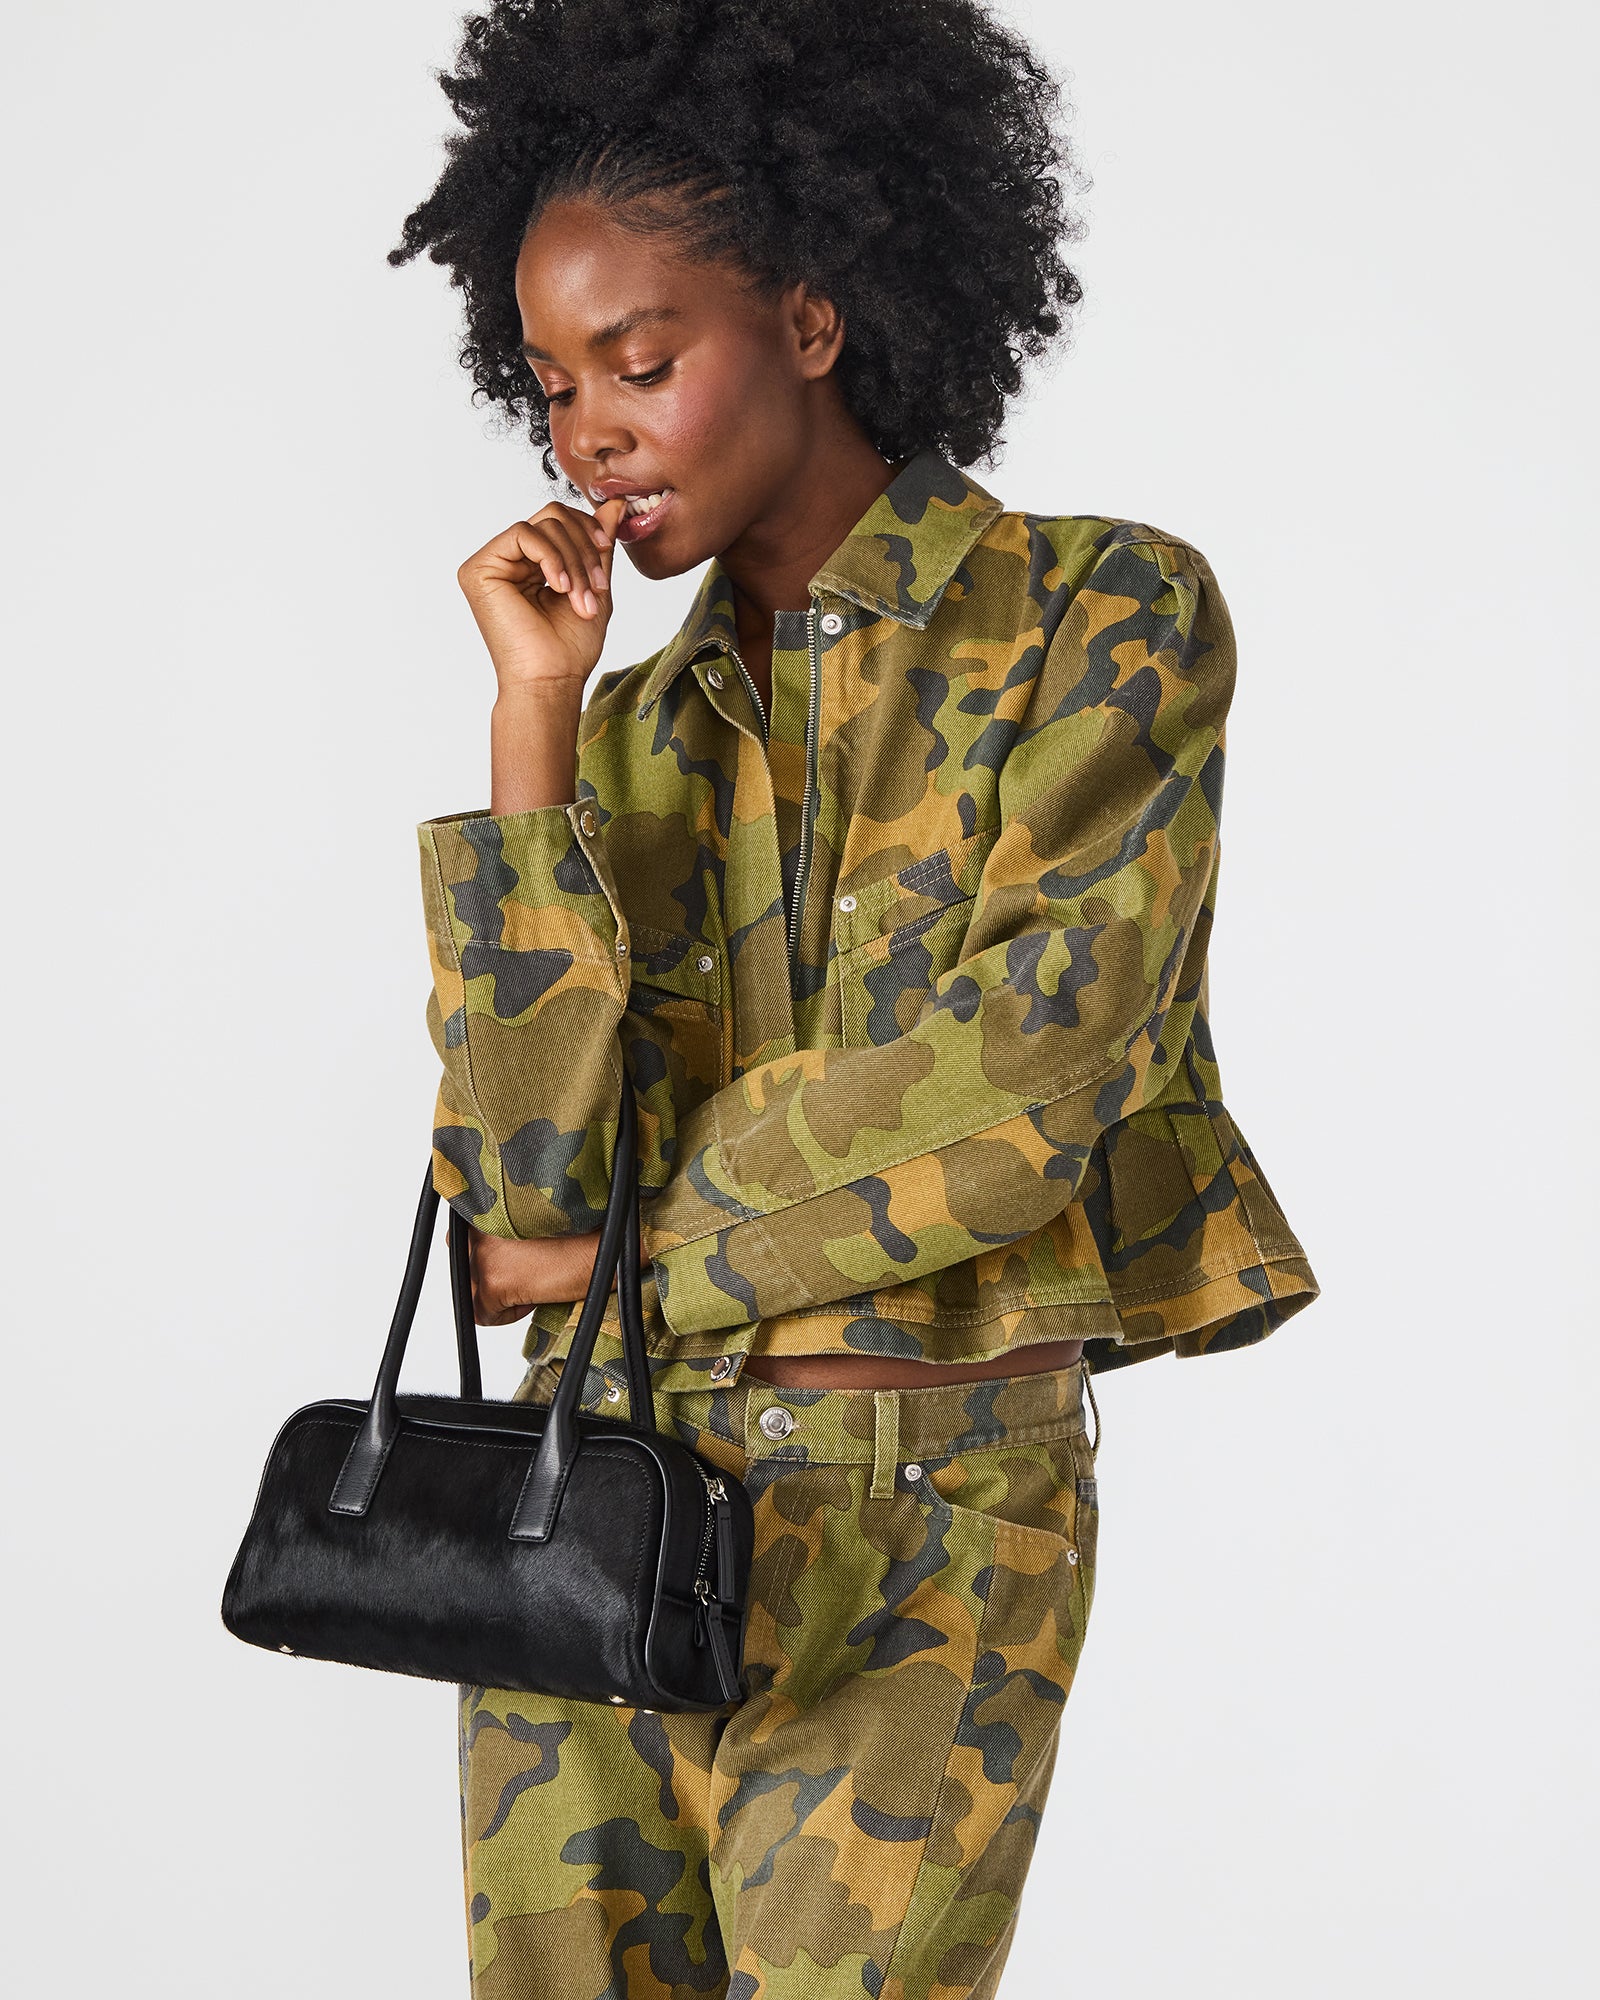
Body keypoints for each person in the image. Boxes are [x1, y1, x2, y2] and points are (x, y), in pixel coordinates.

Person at [389, 1, 1318, 1991]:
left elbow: (1020, 1095)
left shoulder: (1104, 615)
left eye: (641, 363)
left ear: (811, 322)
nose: (587, 434)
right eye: (551, 386)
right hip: (590, 1500)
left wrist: (615, 1258)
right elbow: (524, 1203)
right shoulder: (622, 738)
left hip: (926, 1509)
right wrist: (532, 727)